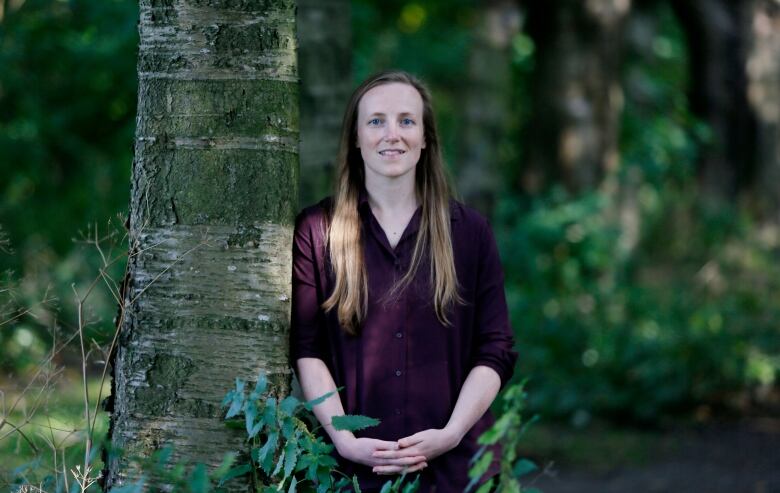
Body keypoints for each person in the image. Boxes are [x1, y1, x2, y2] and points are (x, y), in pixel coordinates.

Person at [290, 71, 518, 492]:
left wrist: (450, 434)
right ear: (355, 138)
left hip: (457, 471)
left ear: (426, 137)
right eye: (376, 121)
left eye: (406, 121)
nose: (391, 134)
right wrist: (344, 440)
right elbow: (307, 349)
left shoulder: (469, 233)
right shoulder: (317, 230)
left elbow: (496, 349)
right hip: (351, 473)